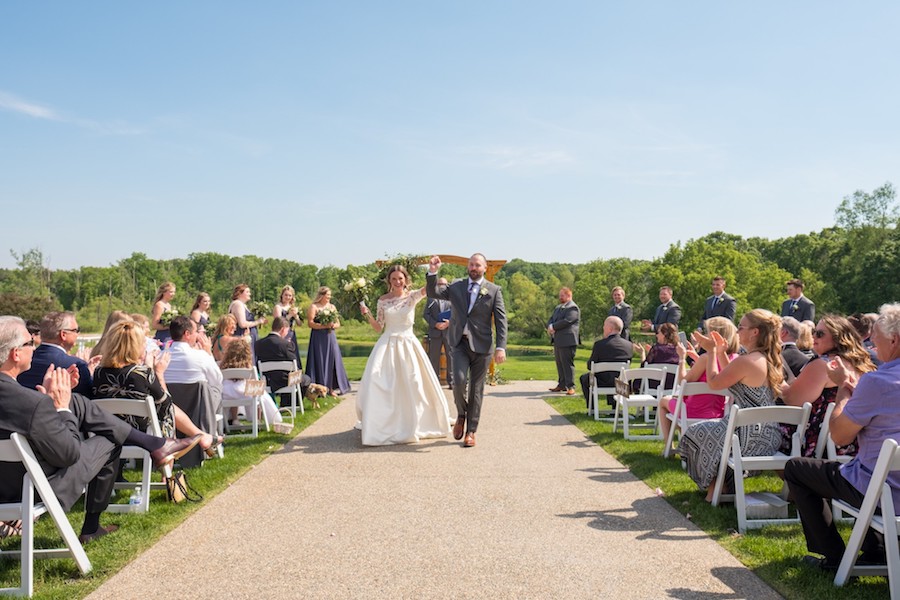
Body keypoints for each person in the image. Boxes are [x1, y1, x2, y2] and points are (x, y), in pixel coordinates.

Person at [0, 316, 200, 543]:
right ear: (15, 354)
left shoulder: (29, 400)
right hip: (34, 486)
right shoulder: (32, 404)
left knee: (78, 401)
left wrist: (58, 399)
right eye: (30, 343)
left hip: (7, 482)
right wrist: (61, 409)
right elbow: (69, 454)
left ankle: (155, 445)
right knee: (111, 439)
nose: (34, 347)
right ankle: (91, 528)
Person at [784, 302, 900, 572]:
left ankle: (835, 558)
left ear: (893, 341)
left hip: (882, 491)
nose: (872, 345)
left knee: (797, 469)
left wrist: (843, 390)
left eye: (876, 339)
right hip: (886, 481)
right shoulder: (874, 378)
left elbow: (839, 436)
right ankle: (875, 551)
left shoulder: (878, 382)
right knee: (851, 469)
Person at [679, 309, 785, 502]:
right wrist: (720, 353)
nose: (737, 331)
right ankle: (721, 488)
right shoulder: (766, 358)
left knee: (694, 434)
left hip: (745, 438)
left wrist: (710, 352)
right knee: (712, 431)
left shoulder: (747, 360)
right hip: (769, 434)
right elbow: (735, 376)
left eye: (741, 327)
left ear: (755, 332)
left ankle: (716, 490)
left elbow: (714, 382)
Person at [93, 320, 222, 457]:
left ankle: (201, 435)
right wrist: (158, 373)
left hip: (108, 431)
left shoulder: (98, 372)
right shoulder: (142, 373)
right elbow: (166, 405)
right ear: (135, 346)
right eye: (143, 342)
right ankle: (170, 470)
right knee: (168, 412)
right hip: (141, 434)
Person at [358, 265, 451, 446]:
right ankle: (383, 424)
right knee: (379, 382)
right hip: (387, 344)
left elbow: (429, 289)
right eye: (394, 279)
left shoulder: (413, 296)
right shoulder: (383, 300)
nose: (398, 282)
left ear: (405, 279)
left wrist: (433, 271)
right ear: (389, 281)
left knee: (414, 382)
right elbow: (379, 327)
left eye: (400, 278)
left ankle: (416, 421)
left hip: (408, 344)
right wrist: (367, 314)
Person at [426, 254, 507, 448]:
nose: (473, 267)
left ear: (485, 267)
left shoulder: (494, 290)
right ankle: (461, 414)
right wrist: (433, 272)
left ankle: (471, 431)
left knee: (476, 390)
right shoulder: (456, 286)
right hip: (459, 343)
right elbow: (432, 292)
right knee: (459, 381)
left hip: (483, 347)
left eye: (477, 265)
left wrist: (501, 347)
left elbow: (501, 320)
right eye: (471, 264)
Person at [780, 315, 875, 458]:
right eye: (814, 332)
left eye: (820, 334)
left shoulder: (824, 364)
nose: (814, 337)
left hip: (822, 440)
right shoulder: (862, 365)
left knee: (771, 427)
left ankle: (795, 479)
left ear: (837, 338)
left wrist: (775, 377)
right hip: (856, 439)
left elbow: (792, 399)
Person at [658, 317, 738, 447]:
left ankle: (669, 446)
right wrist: (696, 356)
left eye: (706, 333)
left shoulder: (706, 358)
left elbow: (682, 381)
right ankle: (691, 439)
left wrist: (682, 359)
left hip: (693, 411)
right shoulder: (734, 358)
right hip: (719, 413)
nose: (704, 336)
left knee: (663, 401)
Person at [17, 311, 99, 397]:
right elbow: (89, 399)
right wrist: (90, 373)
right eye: (76, 330)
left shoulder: (23, 359)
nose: (78, 334)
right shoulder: (76, 366)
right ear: (63, 334)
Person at [221, 338, 283, 428]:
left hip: (227, 394)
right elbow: (255, 382)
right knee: (258, 392)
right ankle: (256, 419)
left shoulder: (223, 366)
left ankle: (234, 419)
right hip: (245, 393)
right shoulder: (249, 367)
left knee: (234, 391)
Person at [255, 316, 311, 409]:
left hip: (267, 379)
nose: (287, 333)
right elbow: (294, 365)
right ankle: (291, 404)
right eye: (287, 331)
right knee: (306, 378)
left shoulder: (258, 343)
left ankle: (285, 403)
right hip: (285, 380)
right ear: (282, 329)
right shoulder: (285, 344)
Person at [578, 316, 634, 410]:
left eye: (604, 326)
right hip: (621, 384)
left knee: (584, 378)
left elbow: (590, 365)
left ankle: (592, 408)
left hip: (602, 382)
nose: (603, 328)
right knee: (615, 375)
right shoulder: (628, 345)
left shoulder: (599, 345)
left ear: (610, 328)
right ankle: (614, 408)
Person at [305, 286, 351, 395]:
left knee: (332, 360)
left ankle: (331, 388)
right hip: (318, 337)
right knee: (320, 359)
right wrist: (324, 326)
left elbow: (338, 323)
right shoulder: (314, 306)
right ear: (321, 295)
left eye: (330, 295)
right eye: (327, 295)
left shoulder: (332, 307)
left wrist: (332, 325)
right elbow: (310, 323)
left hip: (330, 337)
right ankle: (319, 388)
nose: (329, 297)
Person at [547, 287, 580, 396]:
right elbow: (552, 319)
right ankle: (561, 384)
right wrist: (550, 325)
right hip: (558, 339)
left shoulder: (573, 308)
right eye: (560, 295)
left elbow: (567, 321)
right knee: (559, 363)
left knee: (567, 363)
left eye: (562, 295)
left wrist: (554, 326)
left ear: (569, 295)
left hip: (568, 340)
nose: (560, 297)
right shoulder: (558, 308)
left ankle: (571, 386)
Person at [633, 321, 679, 391]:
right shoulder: (678, 350)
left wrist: (642, 353)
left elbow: (644, 367)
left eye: (658, 333)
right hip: (671, 388)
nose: (657, 335)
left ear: (664, 334)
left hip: (653, 388)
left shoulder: (656, 349)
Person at [423, 278, 453, 388]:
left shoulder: (452, 298)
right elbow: (426, 314)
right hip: (435, 332)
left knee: (451, 357)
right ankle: (434, 382)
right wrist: (435, 324)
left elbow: (458, 314)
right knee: (434, 358)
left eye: (444, 284)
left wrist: (449, 323)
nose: (442, 286)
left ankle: (452, 382)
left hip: (449, 332)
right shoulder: (431, 298)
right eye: (439, 284)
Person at [229, 284, 266, 362]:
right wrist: (258, 321)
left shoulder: (242, 305)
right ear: (240, 293)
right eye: (247, 292)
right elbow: (242, 324)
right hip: (242, 335)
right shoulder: (237, 304)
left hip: (249, 336)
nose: (250, 294)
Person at [273, 285, 303, 364]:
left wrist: (296, 316)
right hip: (281, 334)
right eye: (286, 295)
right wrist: (289, 315)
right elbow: (278, 323)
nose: (288, 297)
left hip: (291, 334)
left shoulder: (293, 307)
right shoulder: (278, 307)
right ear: (282, 295)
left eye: (290, 295)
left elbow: (300, 324)